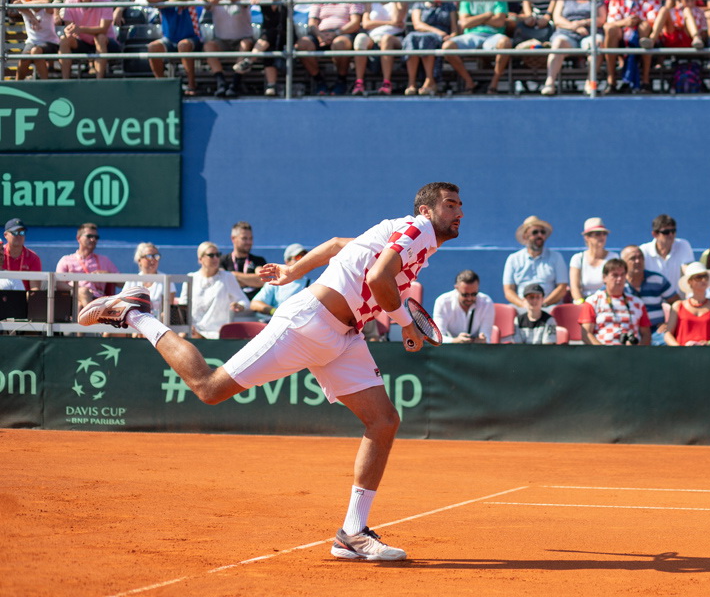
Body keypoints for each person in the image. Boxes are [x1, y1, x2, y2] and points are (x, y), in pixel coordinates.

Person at [78, 182, 464, 562]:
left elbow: (336, 245)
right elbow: (379, 279)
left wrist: (293, 270)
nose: (458, 212)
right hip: (308, 323)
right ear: (426, 211)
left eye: (460, 206)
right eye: (450, 204)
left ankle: (353, 533)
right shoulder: (417, 229)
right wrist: (406, 324)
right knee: (209, 387)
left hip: (344, 337)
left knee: (383, 421)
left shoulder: (410, 240)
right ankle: (134, 313)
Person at [441, 0, 514, 94]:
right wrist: (487, 15)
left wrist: (474, 19)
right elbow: (464, 23)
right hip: (471, 36)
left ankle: (493, 84)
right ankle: (469, 82)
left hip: (493, 37)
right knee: (447, 47)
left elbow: (499, 22)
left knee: (505, 43)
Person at [200, 0, 256, 98]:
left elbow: (245, 0)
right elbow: (207, 1)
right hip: (222, 41)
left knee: (245, 44)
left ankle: (235, 84)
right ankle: (221, 83)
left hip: (243, 39)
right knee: (208, 46)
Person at [58, 0, 120, 80]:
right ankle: (65, 81)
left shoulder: (105, 1)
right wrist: (69, 31)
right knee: (64, 40)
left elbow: (103, 29)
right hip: (82, 42)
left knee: (100, 38)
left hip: (107, 43)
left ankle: (99, 81)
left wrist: (79, 29)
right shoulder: (69, 2)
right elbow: (70, 29)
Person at [580, 258, 651, 345]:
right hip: (602, 349)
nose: (619, 279)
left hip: (631, 351)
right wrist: (602, 350)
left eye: (622, 275)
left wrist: (638, 350)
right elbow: (586, 334)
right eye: (615, 275)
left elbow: (646, 334)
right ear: (604, 278)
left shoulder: (638, 303)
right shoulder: (593, 301)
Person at [503, 215, 569, 308]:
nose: (540, 235)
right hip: (521, 307)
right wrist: (523, 305)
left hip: (549, 307)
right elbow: (508, 290)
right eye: (535, 232)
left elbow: (562, 287)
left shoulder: (556, 257)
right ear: (525, 236)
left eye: (542, 232)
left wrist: (543, 304)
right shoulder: (513, 259)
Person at [661, 262, 710, 346]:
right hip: (682, 353)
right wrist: (679, 348)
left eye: (705, 276)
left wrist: (709, 344)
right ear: (690, 281)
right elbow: (668, 334)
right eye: (698, 277)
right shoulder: (678, 306)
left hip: (708, 353)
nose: (703, 280)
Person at [55, 224, 117, 311]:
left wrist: (108, 275)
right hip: (71, 297)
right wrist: (78, 290)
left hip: (98, 299)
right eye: (89, 236)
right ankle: (94, 318)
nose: (93, 239)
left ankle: (91, 316)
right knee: (82, 294)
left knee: (80, 305)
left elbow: (122, 282)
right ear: (78, 238)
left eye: (96, 237)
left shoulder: (104, 260)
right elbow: (58, 284)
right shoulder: (66, 260)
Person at [620, 244, 673, 343]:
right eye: (633, 258)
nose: (638, 261)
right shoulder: (618, 284)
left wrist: (669, 324)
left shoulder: (658, 280)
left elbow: (677, 303)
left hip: (657, 332)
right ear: (623, 263)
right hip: (629, 332)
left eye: (640, 257)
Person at [638, 214, 695, 299]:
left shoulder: (684, 245)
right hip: (652, 304)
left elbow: (689, 273)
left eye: (673, 231)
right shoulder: (643, 251)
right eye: (666, 232)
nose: (671, 235)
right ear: (655, 234)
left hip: (677, 302)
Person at [250, 243, 310, 321]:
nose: (302, 260)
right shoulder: (276, 282)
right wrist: (276, 312)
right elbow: (255, 304)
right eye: (298, 257)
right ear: (287, 261)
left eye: (305, 257)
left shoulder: (314, 284)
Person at [11, 0, 58, 80]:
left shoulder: (47, 9)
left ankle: (45, 83)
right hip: (32, 42)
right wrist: (32, 17)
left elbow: (46, 2)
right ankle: (17, 84)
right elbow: (15, 4)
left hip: (51, 42)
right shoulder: (26, 10)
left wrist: (25, 3)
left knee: (36, 51)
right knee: (24, 58)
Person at [433, 270, 495, 343]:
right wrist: (455, 340)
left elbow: (487, 337)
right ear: (456, 288)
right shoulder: (443, 302)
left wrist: (482, 340)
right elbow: (437, 338)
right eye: (465, 295)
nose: (469, 298)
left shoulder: (486, 302)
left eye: (474, 294)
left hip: (476, 348)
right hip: (451, 348)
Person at [220, 220, 267, 315]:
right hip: (230, 311)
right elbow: (223, 283)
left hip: (254, 312)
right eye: (244, 238)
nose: (249, 242)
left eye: (250, 238)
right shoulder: (222, 260)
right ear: (233, 239)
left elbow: (261, 280)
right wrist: (251, 280)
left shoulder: (258, 260)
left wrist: (233, 275)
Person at [121, 243, 175, 317]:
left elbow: (168, 310)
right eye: (149, 256)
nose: (153, 260)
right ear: (139, 260)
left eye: (156, 256)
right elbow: (123, 305)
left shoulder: (166, 280)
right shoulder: (131, 281)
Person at [570, 218, 612, 302]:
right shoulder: (577, 258)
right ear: (587, 237)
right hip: (583, 303)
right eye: (598, 234)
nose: (602, 236)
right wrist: (583, 305)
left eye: (604, 233)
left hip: (607, 302)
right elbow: (574, 288)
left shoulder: (613, 258)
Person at [3, 218, 41, 292]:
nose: (19, 236)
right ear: (5, 235)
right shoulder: (1, 254)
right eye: (15, 232)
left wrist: (26, 298)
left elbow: (34, 288)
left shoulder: (33, 257)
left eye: (22, 232)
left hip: (24, 297)